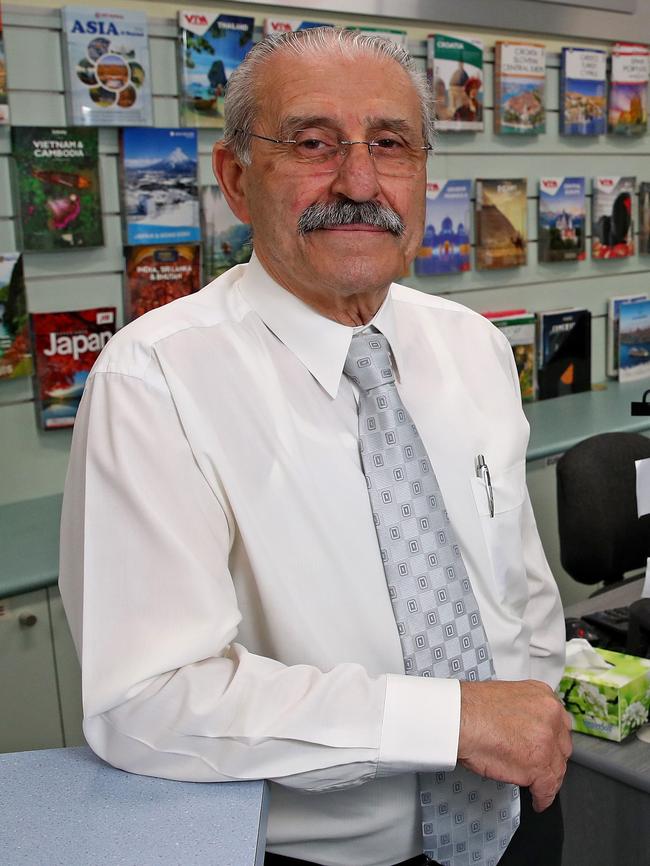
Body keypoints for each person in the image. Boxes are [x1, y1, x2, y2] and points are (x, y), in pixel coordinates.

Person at [59, 28, 572, 866]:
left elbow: (517, 587)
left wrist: (537, 707)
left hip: (520, 815)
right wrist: (450, 722)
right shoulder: (155, 380)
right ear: (234, 177)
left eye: (390, 144)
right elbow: (146, 701)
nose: (360, 182)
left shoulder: (472, 346)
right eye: (311, 143)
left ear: (422, 172)